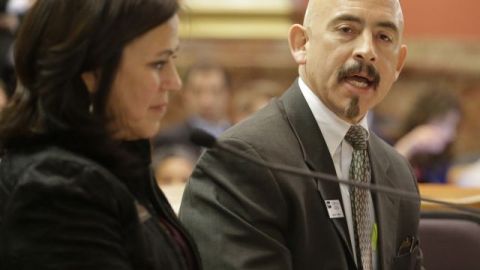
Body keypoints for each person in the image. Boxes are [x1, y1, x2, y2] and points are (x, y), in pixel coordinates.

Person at [179, 0, 422, 269]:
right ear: (301, 44)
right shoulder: (242, 161)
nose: (366, 51)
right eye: (346, 30)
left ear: (398, 63)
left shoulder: (398, 173)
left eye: (384, 37)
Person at [0, 1, 201, 269]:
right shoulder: (58, 187)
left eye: (172, 60)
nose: (174, 82)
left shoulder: (120, 153)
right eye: (158, 64)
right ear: (91, 72)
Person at [153, 61, 231, 158]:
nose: (206, 101)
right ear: (185, 95)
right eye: (197, 92)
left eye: (215, 92)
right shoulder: (170, 139)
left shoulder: (242, 138)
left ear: (227, 94)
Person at [394, 87, 461, 184]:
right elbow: (384, 178)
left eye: (453, 125)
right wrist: (408, 144)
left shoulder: (441, 159)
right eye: (444, 123)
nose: (451, 135)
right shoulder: (391, 143)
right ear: (423, 119)